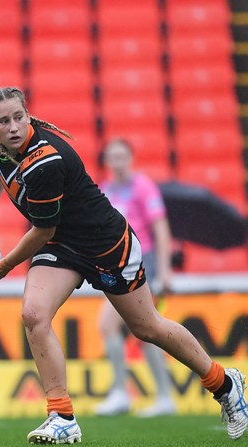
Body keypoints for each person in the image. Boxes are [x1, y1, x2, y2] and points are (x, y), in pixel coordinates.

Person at [0, 87, 248, 444]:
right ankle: (61, 416)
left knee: (147, 328)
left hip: (107, 245)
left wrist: (3, 265)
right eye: (4, 121)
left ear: (28, 114)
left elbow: (42, 229)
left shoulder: (45, 160)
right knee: (34, 315)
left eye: (19, 117)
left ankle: (223, 382)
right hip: (63, 245)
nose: (14, 126)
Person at [93, 139, 176, 418]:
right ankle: (164, 397)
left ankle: (121, 393)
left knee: (110, 325)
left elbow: (160, 228)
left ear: (131, 158)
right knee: (145, 332)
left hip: (143, 265)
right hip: (118, 267)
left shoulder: (143, 187)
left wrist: (164, 271)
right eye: (112, 157)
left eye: (122, 156)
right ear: (107, 161)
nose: (117, 162)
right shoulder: (105, 189)